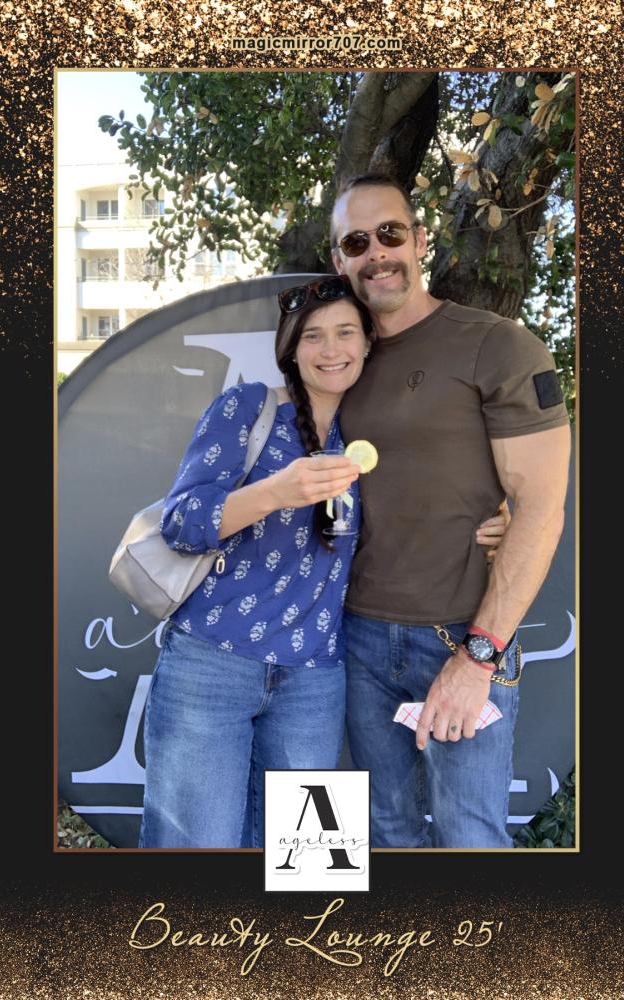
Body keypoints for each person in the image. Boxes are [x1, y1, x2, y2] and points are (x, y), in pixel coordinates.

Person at [138, 274, 508, 849]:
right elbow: (181, 523)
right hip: (213, 663)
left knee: (299, 861)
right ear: (291, 348)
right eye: (312, 336)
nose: (330, 349)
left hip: (314, 679)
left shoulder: (375, 438)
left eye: (345, 333)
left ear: (367, 343)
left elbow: (433, 501)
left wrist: (497, 518)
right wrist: (275, 492)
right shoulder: (248, 408)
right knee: (195, 845)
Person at [330, 173, 572, 849]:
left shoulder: (497, 345)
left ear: (419, 240)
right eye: (356, 242)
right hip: (357, 638)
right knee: (386, 833)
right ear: (339, 261)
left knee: (470, 838)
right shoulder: (337, 358)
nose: (376, 253)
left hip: (461, 634)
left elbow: (541, 508)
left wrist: (477, 656)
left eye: (389, 233)